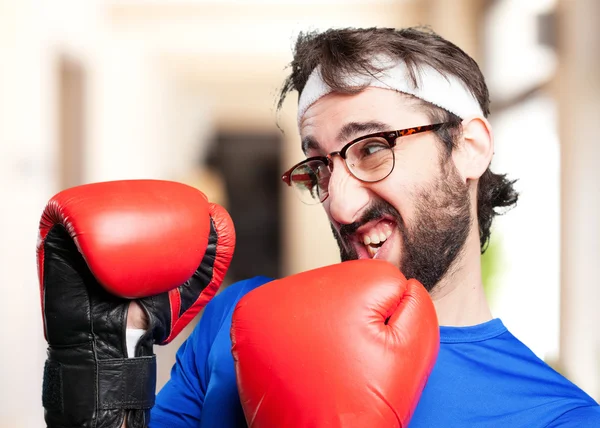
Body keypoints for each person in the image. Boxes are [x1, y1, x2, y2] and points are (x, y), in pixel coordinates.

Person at [38, 27, 600, 427]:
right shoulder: (237, 321)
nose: (340, 204)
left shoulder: (557, 417)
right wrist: (104, 369)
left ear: (470, 148)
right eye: (320, 166)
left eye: (373, 148)